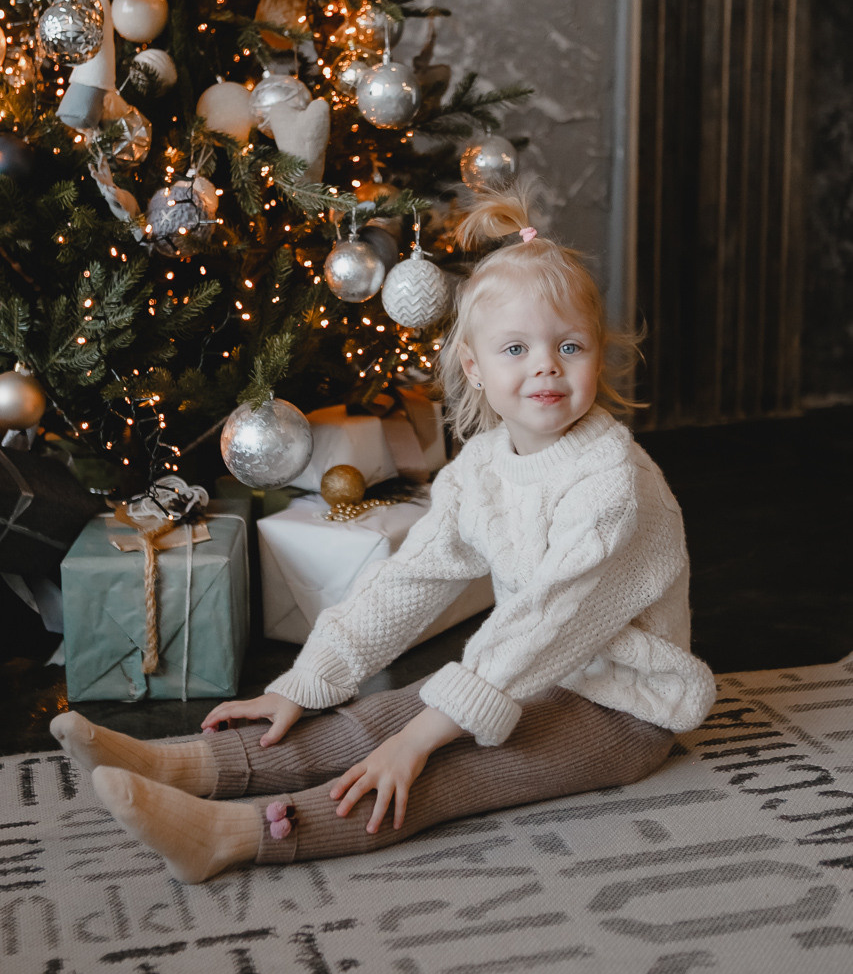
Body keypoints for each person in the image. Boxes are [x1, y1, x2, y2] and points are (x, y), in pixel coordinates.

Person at [51, 186, 717, 884]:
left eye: (569, 346)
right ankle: (186, 763)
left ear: (596, 356)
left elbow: (547, 620)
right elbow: (408, 581)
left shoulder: (612, 480)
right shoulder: (481, 469)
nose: (545, 365)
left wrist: (420, 739)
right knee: (376, 717)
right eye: (516, 348)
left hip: (622, 708)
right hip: (527, 669)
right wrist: (307, 681)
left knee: (438, 769)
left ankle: (234, 833)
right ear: (474, 369)